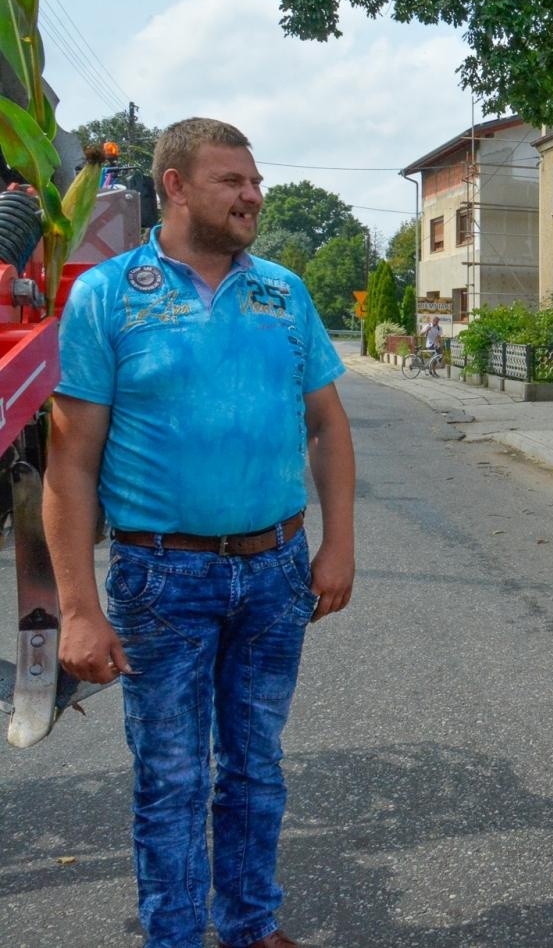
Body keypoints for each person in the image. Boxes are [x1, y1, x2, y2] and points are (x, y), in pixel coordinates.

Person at [44, 117, 356, 948]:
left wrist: (337, 543)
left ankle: (250, 926)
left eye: (255, 181)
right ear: (175, 186)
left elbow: (327, 425)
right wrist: (77, 607)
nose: (253, 195)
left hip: (276, 571)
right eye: (233, 181)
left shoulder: (283, 292)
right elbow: (69, 465)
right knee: (173, 778)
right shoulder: (109, 295)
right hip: (161, 579)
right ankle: (175, 937)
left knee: (256, 769)